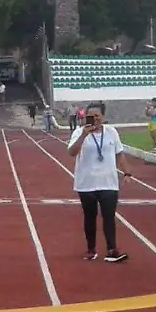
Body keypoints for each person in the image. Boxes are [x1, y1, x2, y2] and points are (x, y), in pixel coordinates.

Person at [66, 102, 130, 262]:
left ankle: (112, 249)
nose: (94, 119)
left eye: (97, 116)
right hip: (86, 183)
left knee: (109, 216)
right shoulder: (79, 132)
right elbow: (71, 152)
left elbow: (119, 153)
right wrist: (83, 135)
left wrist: (127, 172)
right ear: (85, 117)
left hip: (108, 182)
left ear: (103, 117)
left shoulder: (111, 132)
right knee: (90, 216)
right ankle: (91, 248)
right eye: (91, 116)